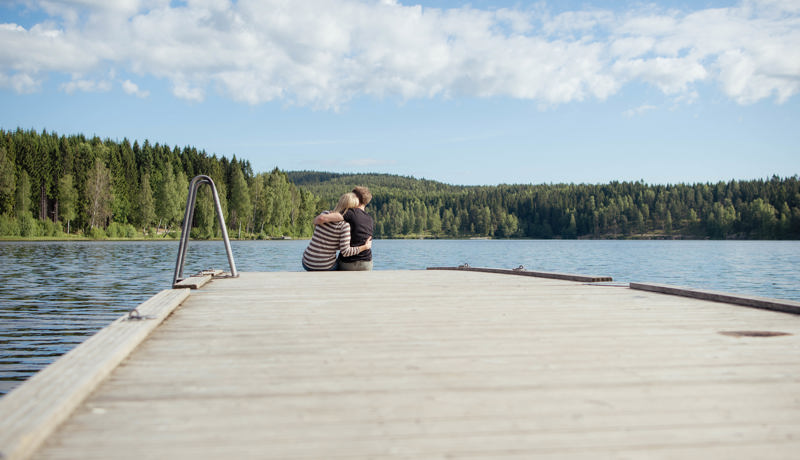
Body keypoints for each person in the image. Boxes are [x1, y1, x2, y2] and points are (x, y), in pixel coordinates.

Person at [302, 192, 371, 271]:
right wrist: (365, 247)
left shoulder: (324, 214)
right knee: (340, 264)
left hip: (306, 263)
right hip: (326, 266)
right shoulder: (344, 226)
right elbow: (346, 252)